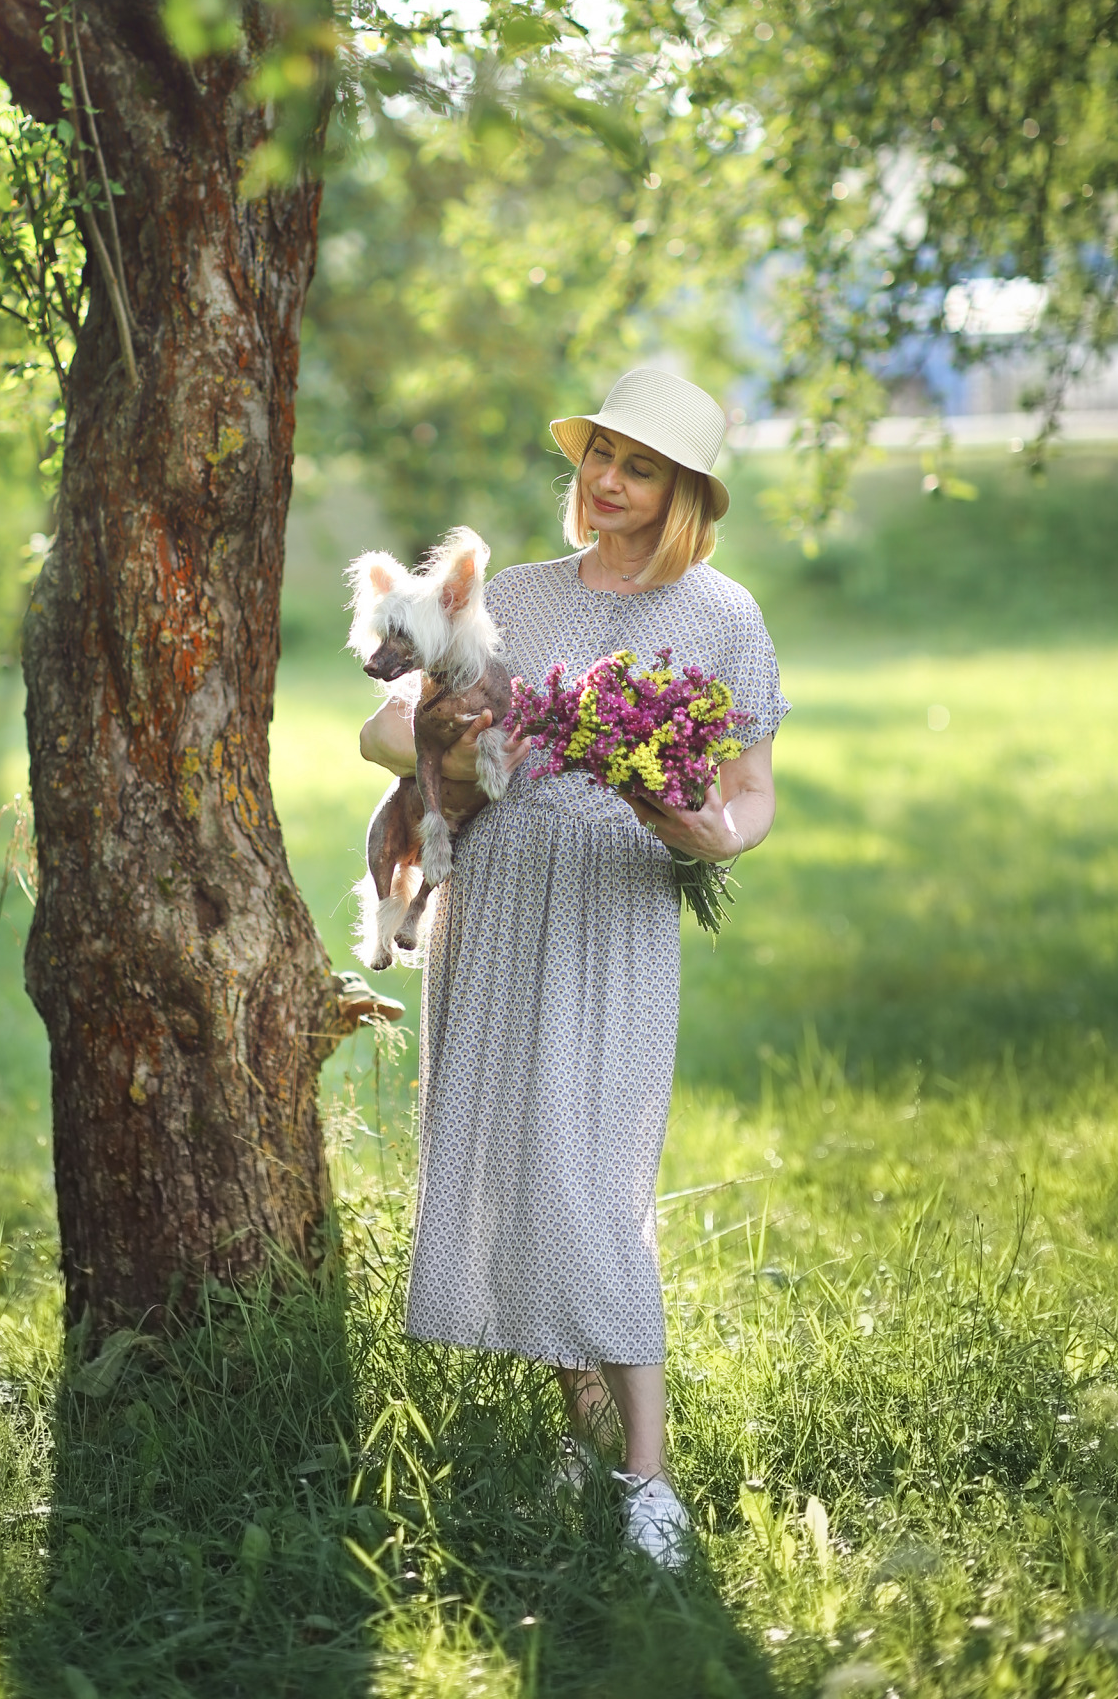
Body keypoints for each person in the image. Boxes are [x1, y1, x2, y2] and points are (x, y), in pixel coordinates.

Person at [359, 368, 789, 1567]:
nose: (605, 482)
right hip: (494, 904)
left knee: (596, 1187)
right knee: (522, 1170)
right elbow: (385, 723)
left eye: (637, 468)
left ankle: (647, 1484)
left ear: (683, 494)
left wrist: (711, 834)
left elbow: (750, 792)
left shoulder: (723, 617)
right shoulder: (516, 599)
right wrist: (426, 729)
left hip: (616, 910)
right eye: (598, 455)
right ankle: (585, 1434)